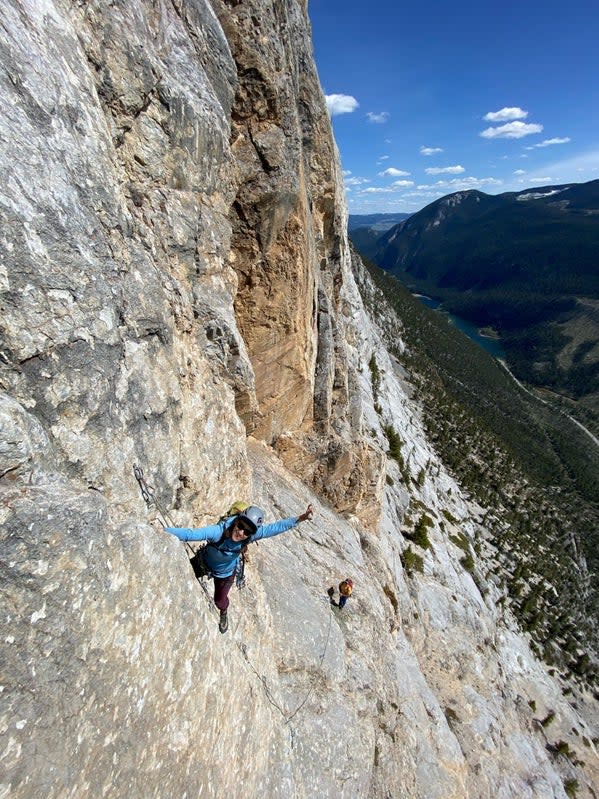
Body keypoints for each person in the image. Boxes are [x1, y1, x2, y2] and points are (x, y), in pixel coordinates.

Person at [165, 504, 314, 633]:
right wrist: (163, 530)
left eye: (247, 531)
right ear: (236, 521)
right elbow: (191, 534)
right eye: (241, 526)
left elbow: (277, 527)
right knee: (178, 574)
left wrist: (302, 517)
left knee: (220, 601)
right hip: (204, 561)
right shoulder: (219, 532)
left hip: (226, 573)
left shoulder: (251, 536)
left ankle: (224, 611)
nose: (242, 533)